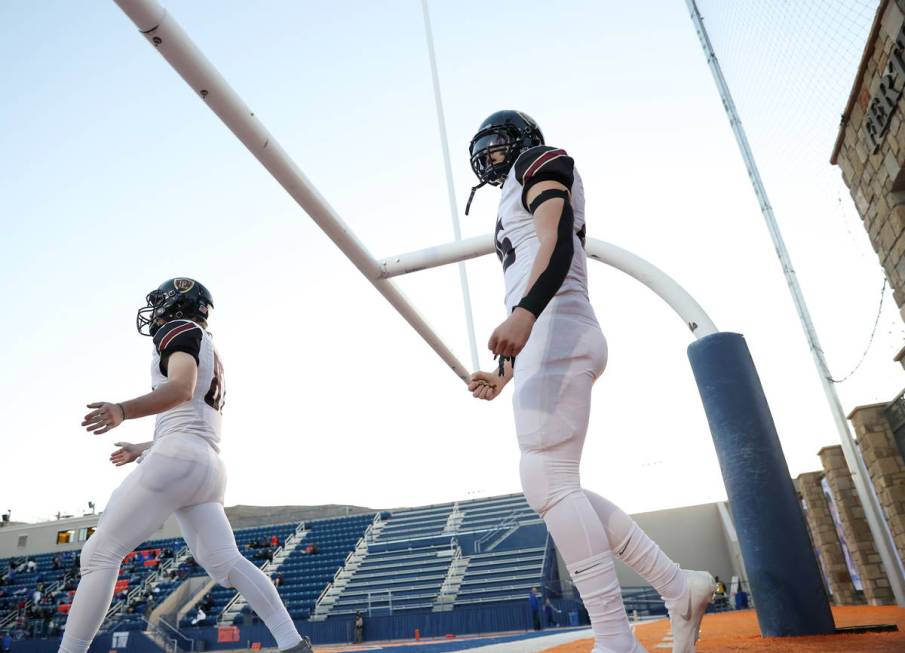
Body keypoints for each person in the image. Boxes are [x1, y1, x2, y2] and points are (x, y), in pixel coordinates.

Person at [465, 111, 715, 653]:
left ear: (523, 141)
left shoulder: (540, 160)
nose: (490, 159)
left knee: (548, 481)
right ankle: (678, 586)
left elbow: (556, 246)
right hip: (551, 332)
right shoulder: (516, 186)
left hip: (555, 324)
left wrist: (527, 314)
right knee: (557, 484)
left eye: (497, 146)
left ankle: (614, 638)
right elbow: (533, 264)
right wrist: (505, 374)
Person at [60, 278, 313, 653]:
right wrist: (143, 448)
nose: (156, 311)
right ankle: (293, 644)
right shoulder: (207, 345)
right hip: (207, 467)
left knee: (99, 553)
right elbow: (192, 416)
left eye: (161, 302)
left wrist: (123, 411)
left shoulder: (178, 330)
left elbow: (180, 388)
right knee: (226, 561)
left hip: (180, 458)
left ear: (178, 305)